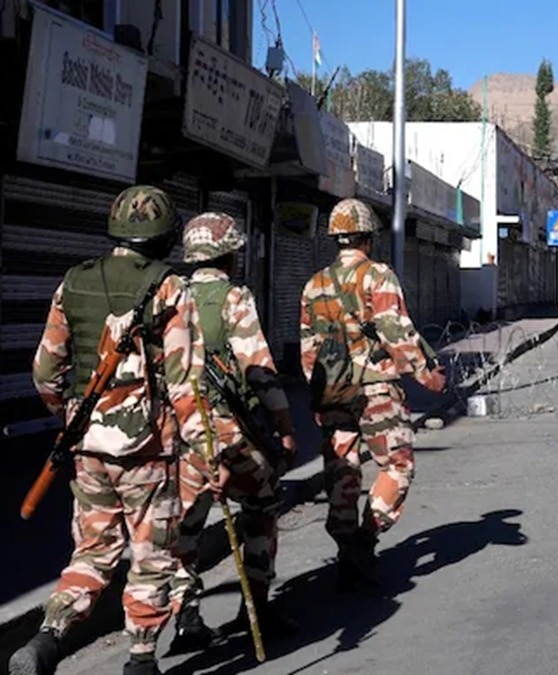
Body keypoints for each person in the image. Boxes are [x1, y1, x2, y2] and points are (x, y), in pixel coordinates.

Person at [10, 186, 205, 675]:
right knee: (150, 552)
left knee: (93, 549)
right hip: (149, 450)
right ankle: (140, 657)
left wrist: (72, 416)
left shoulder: (72, 282)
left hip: (86, 443)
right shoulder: (170, 288)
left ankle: (49, 636)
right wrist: (205, 450)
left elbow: (44, 371)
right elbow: (185, 380)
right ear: (164, 235)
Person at [300, 198, 447, 590]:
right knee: (397, 465)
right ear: (367, 237)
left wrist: (319, 397)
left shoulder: (314, 284)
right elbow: (396, 331)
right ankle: (364, 539)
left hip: (333, 392)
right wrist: (425, 375)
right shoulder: (377, 275)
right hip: (376, 388)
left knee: (342, 471)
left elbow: (308, 349)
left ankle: (346, 543)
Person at [169, 213, 299, 652]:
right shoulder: (234, 298)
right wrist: (283, 427)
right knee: (260, 507)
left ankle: (186, 619)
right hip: (226, 430)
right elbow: (258, 368)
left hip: (176, 428)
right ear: (229, 254)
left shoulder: (170, 296)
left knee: (183, 526)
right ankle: (257, 606)